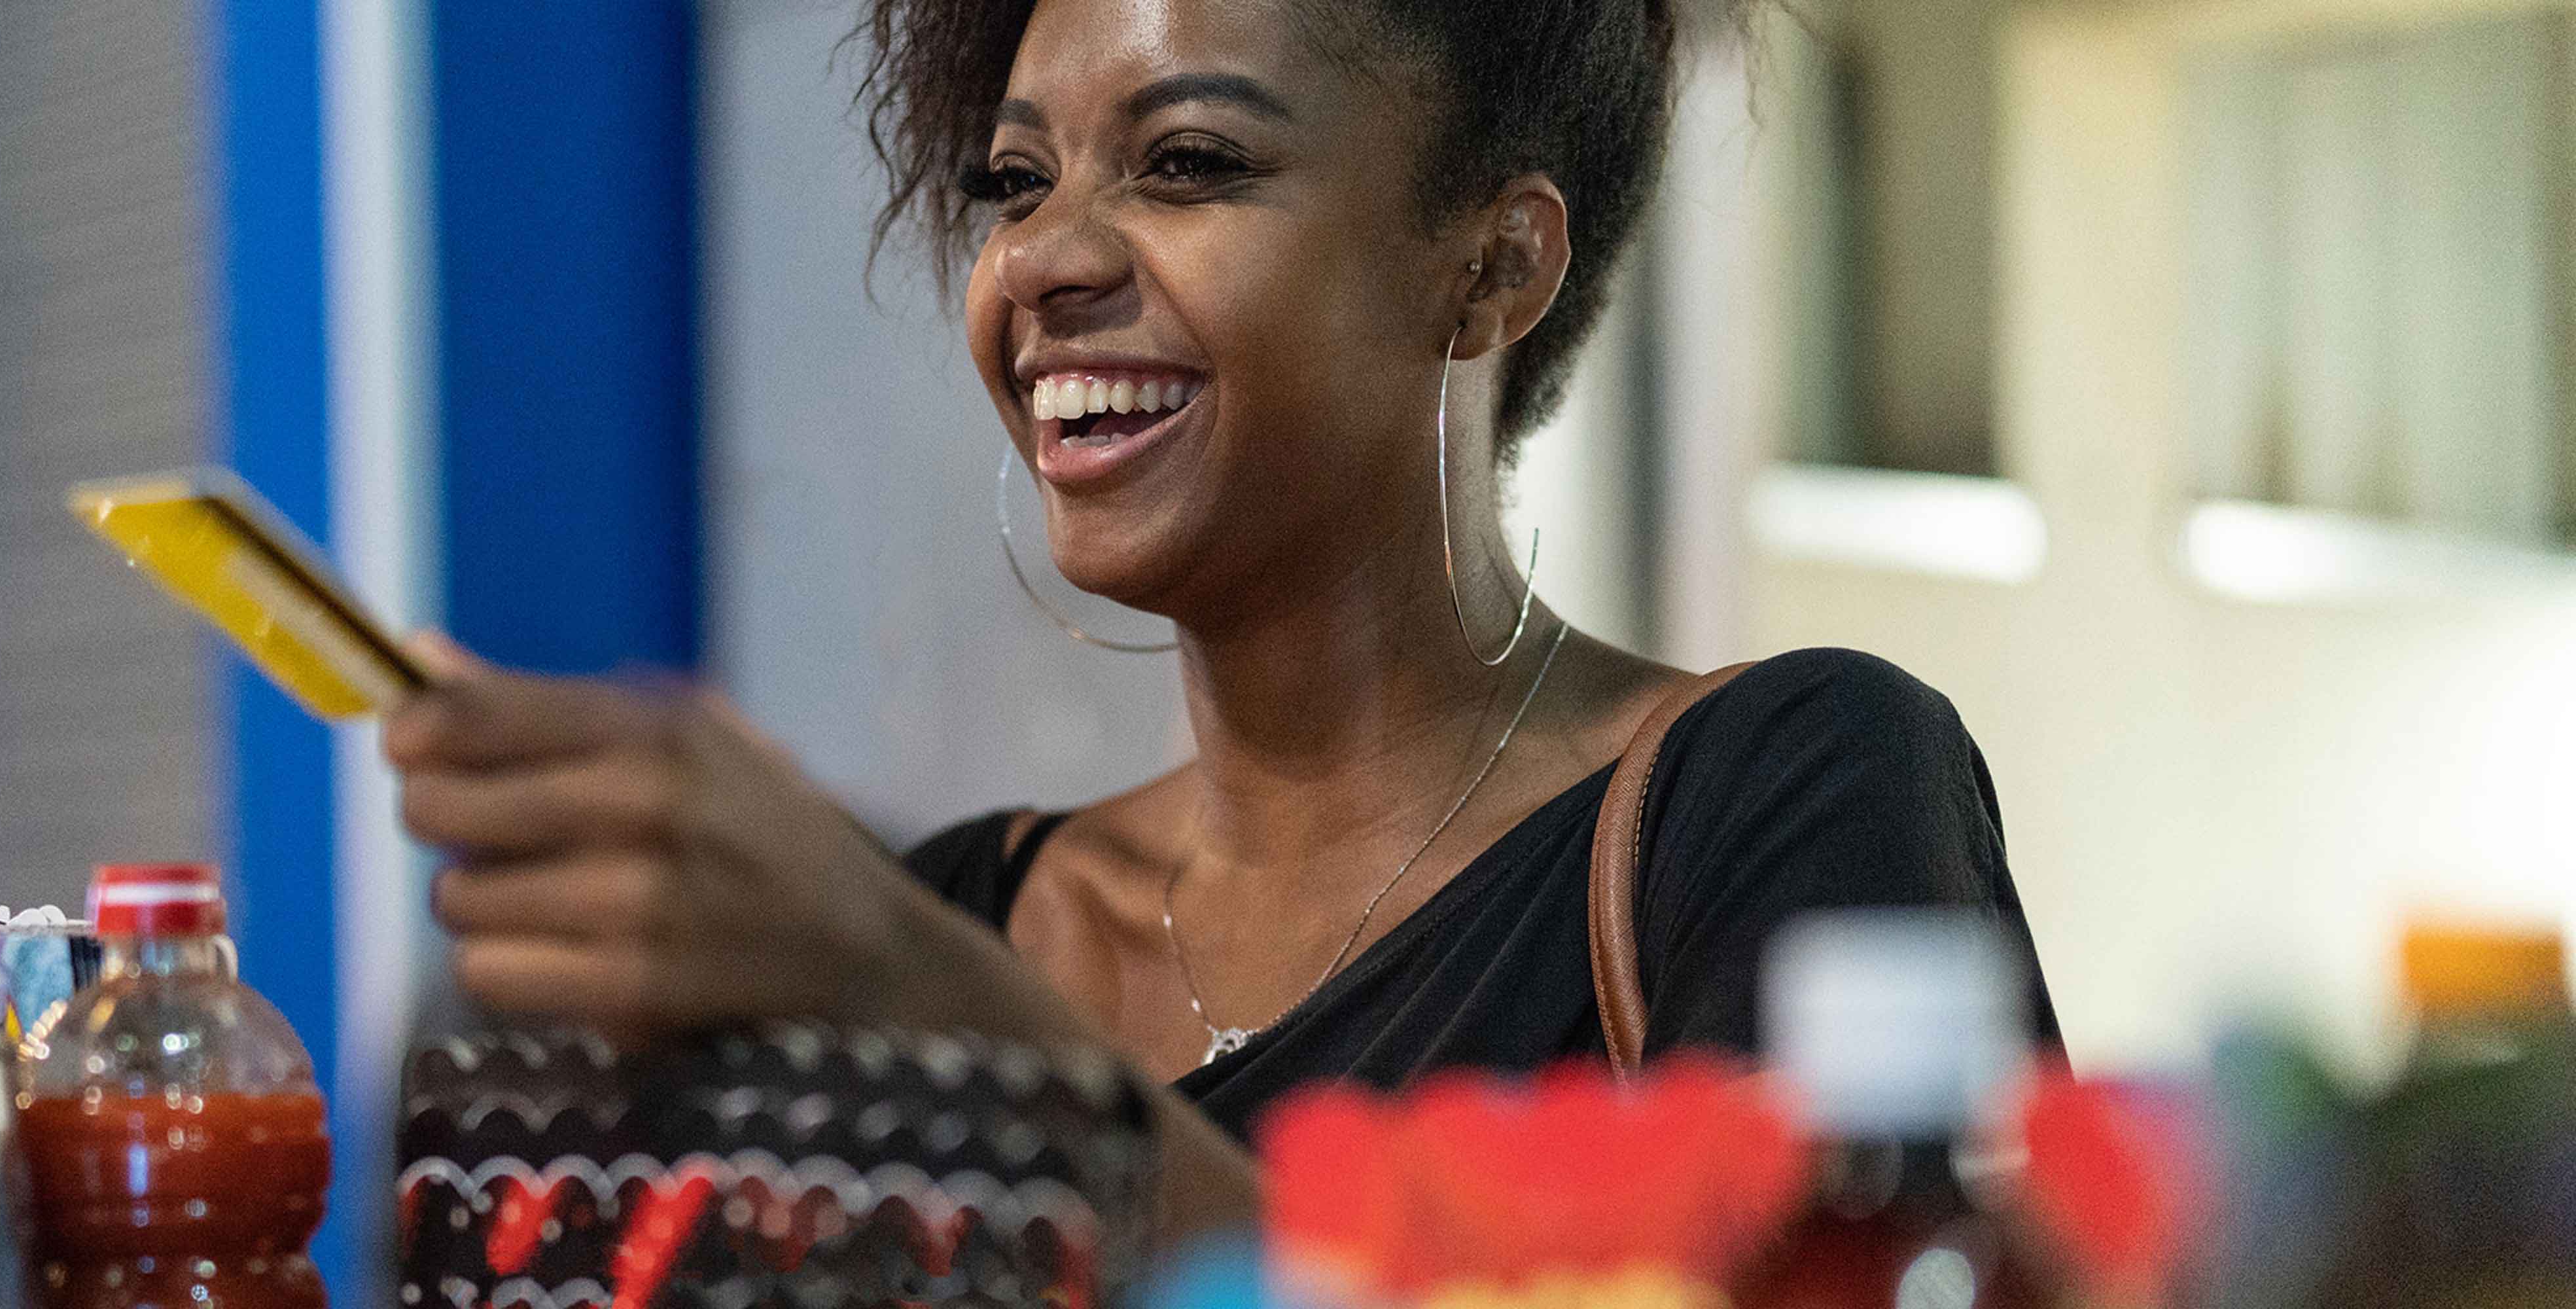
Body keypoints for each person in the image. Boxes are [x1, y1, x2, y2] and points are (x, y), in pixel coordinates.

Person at [380, 0, 2058, 1240]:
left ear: (1494, 267)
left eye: (1188, 163)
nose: (1043, 263)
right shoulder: (967, 909)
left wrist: (932, 1016)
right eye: (1016, 182)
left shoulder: (1793, 785)